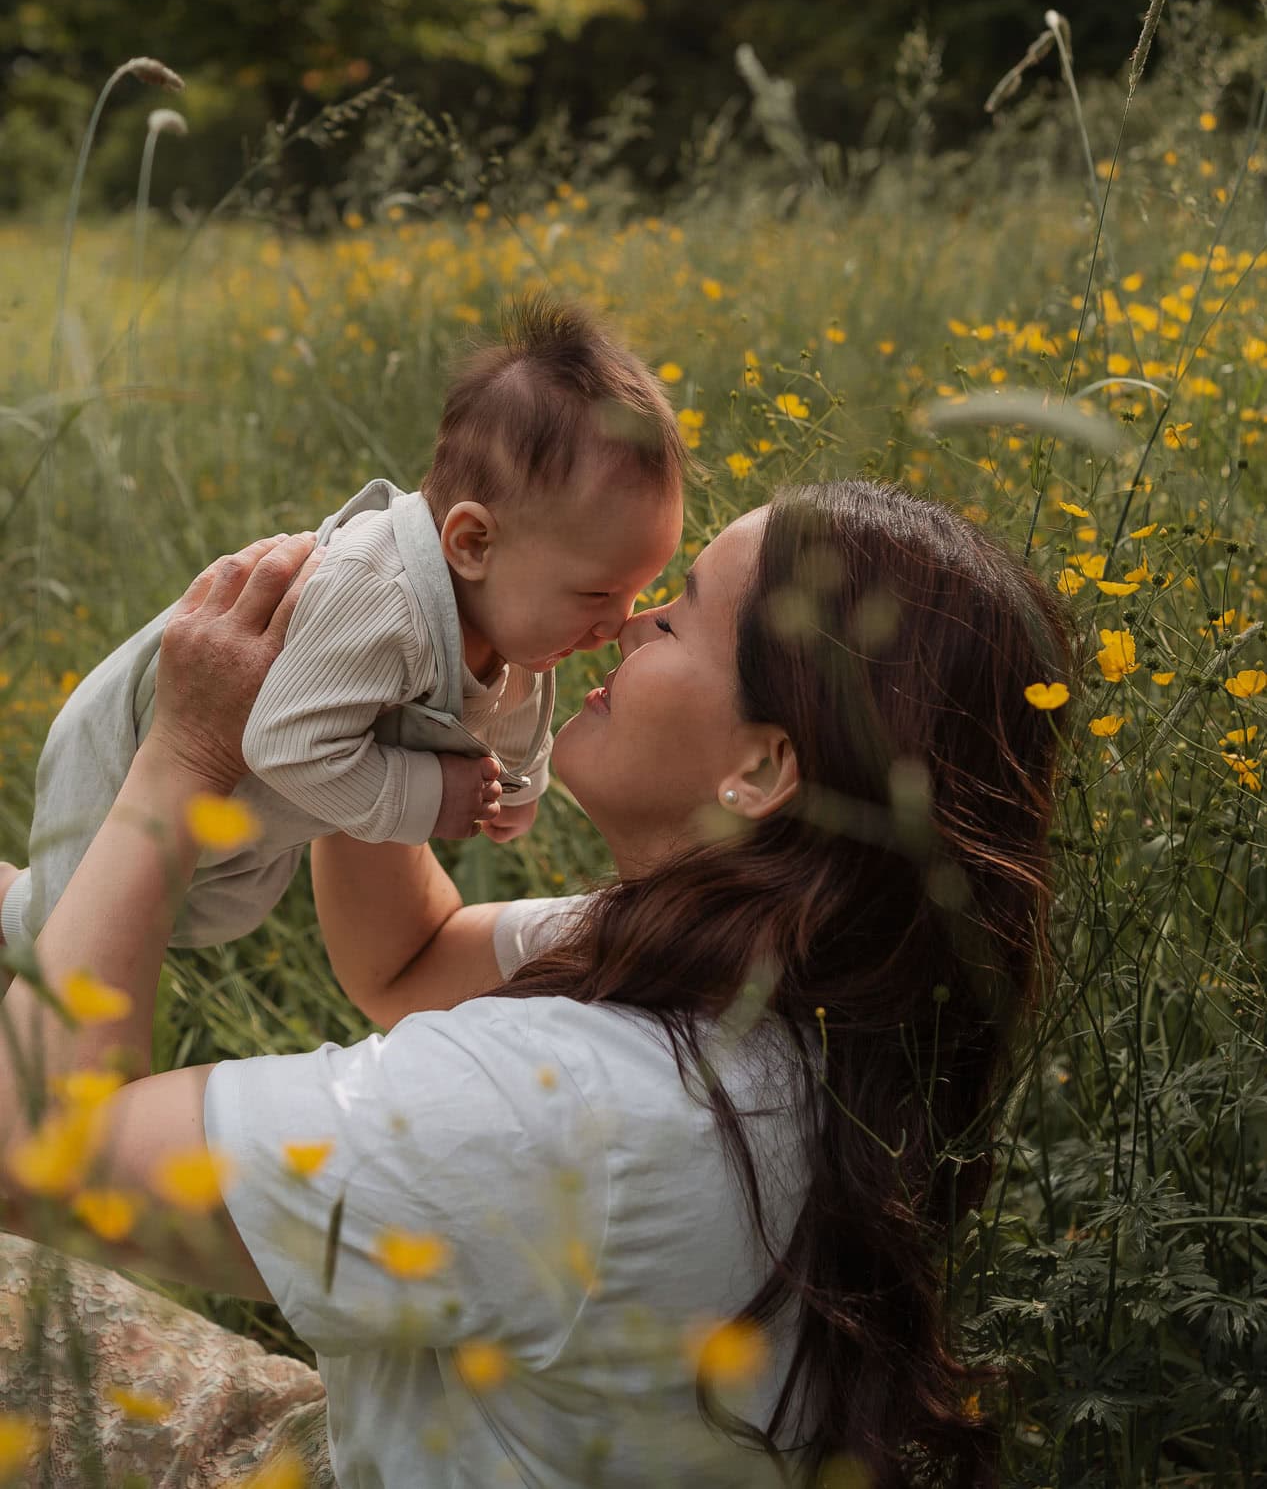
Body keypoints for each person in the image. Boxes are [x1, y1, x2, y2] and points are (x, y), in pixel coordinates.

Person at [0, 479, 1071, 1488]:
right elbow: (410, 958)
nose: (629, 620)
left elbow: (41, 1155)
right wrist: (400, 682)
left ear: (760, 767)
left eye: (679, 616)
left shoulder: (562, 1110)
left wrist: (185, 752)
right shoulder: (797, 985)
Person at [0, 295, 686, 951]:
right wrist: (428, 798)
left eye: (634, 591)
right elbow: (287, 742)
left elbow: (513, 682)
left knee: (215, 915)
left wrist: (513, 785)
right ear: (472, 543)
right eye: (597, 592)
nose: (617, 622)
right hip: (133, 751)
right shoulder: (378, 593)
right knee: (65, 932)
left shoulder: (505, 606)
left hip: (250, 808)